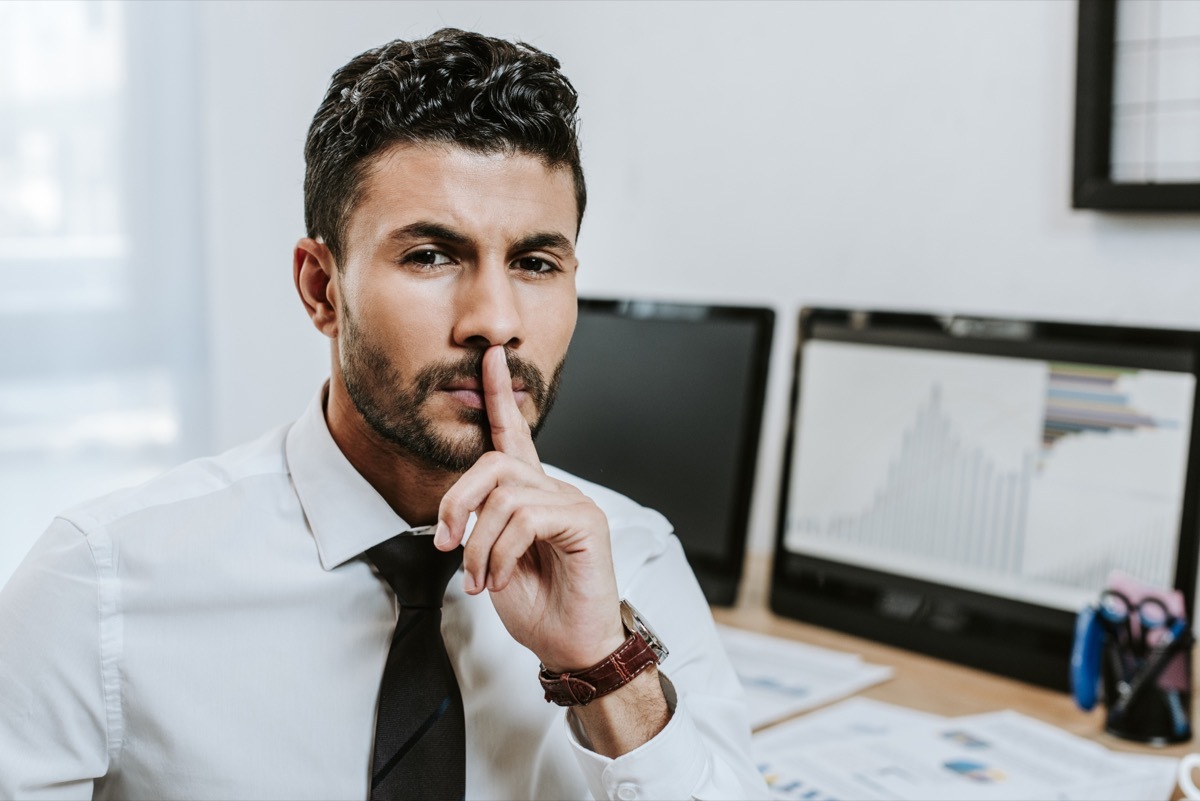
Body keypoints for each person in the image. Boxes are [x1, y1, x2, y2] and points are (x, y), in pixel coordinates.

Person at [0, 28, 768, 800]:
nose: (494, 320)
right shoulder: (96, 583)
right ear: (321, 289)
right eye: (431, 255)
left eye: (535, 263)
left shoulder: (633, 557)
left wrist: (601, 663)